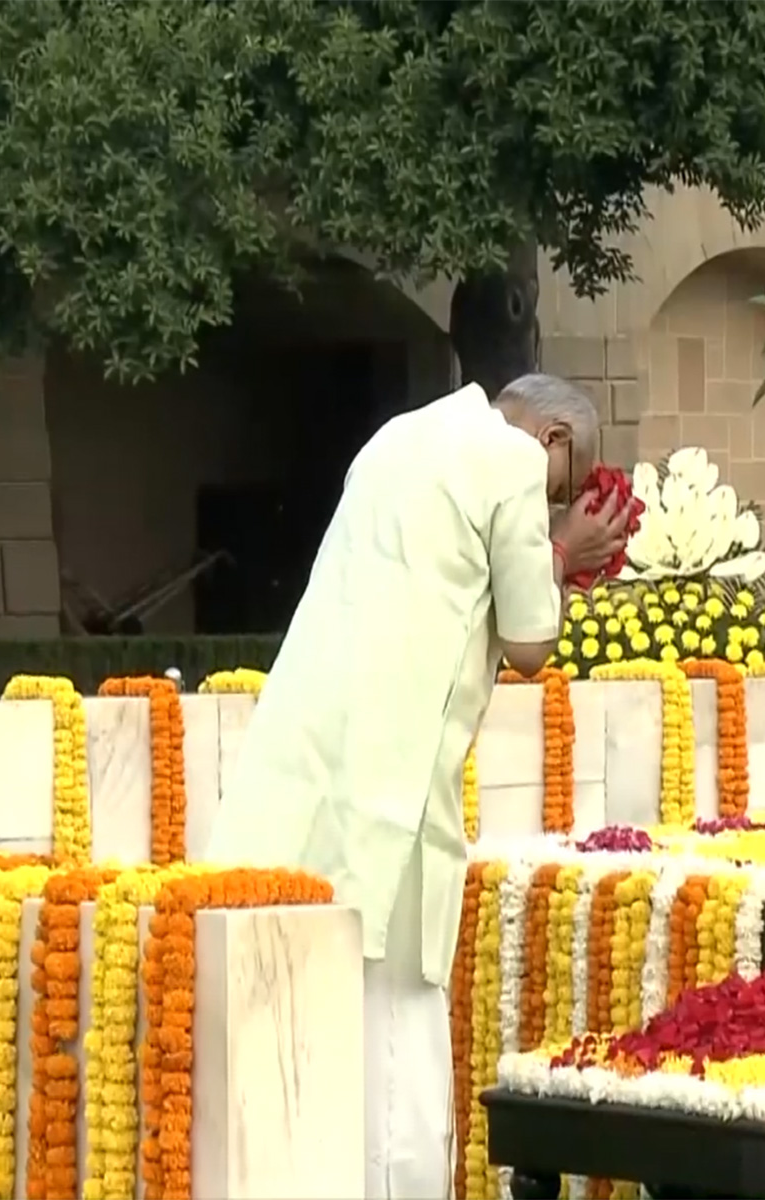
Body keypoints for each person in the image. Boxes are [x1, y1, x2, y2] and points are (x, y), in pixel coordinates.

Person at [202, 373, 631, 1199]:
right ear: (554, 440)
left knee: (300, 1020)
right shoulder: (509, 459)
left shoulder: (396, 437)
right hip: (387, 797)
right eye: (566, 487)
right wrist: (566, 553)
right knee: (398, 1039)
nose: (556, 502)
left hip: (303, 768)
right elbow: (533, 642)